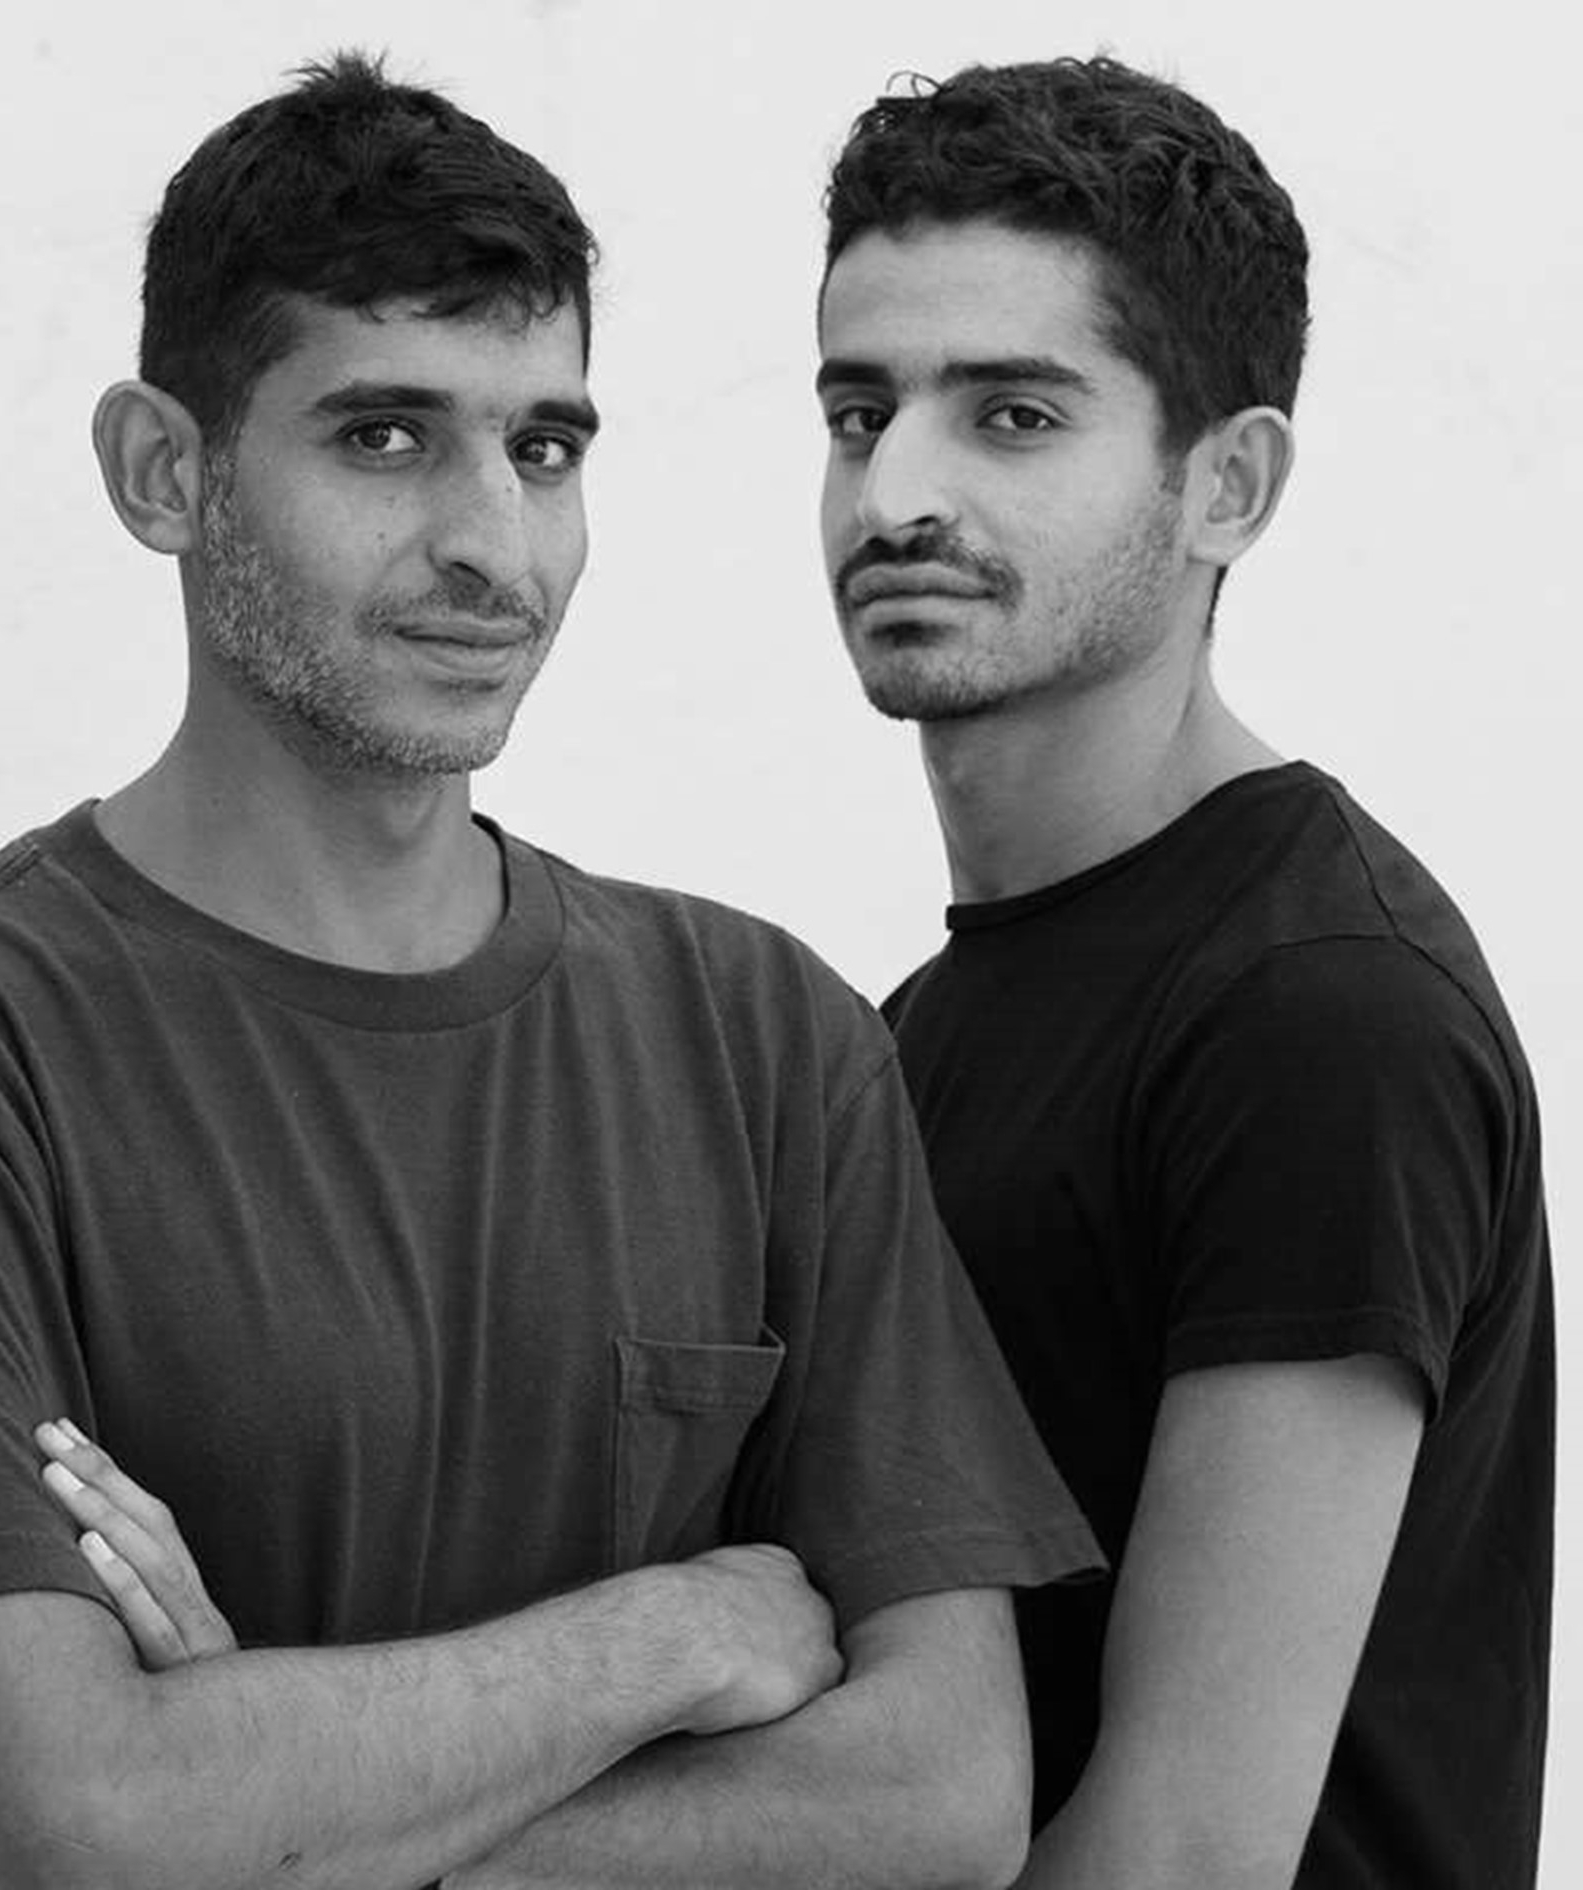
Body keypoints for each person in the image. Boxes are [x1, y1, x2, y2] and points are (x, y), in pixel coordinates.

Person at [0, 52, 1101, 1890]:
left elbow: (940, 1798)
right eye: (383, 437)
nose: (489, 545)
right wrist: (668, 1637)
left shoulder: (766, 1036)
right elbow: (94, 1824)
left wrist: (286, 1807)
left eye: (542, 449)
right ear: (163, 470)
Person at [813, 54, 1554, 1890]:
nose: (892, 492)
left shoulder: (1317, 1011)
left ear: (1227, 483)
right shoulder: (907, 1031)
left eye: (1009, 415)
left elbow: (1183, 1855)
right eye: (857, 409)